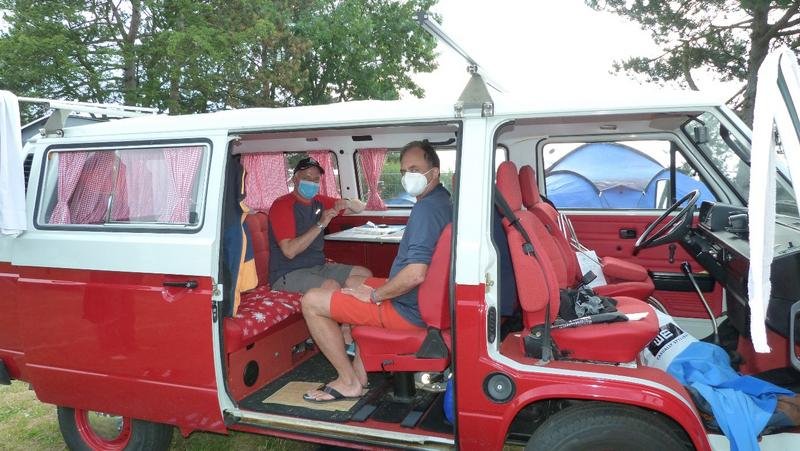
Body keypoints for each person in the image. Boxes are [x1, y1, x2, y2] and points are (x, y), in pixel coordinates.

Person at [301, 140, 453, 402]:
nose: (408, 177)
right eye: (404, 171)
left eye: (415, 169)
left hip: (408, 309)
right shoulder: (443, 200)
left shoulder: (426, 209)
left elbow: (416, 273)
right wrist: (372, 291)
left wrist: (375, 296)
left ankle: (348, 382)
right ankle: (359, 374)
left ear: (435, 172)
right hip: (423, 300)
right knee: (357, 283)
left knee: (311, 301)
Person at [268, 157, 371, 293]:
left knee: (365, 275)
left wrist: (348, 202)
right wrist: (320, 224)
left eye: (316, 180)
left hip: (317, 266)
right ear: (295, 179)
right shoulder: (282, 205)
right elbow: (289, 251)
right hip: (287, 272)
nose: (311, 183)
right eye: (306, 178)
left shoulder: (320, 201)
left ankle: (347, 304)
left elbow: (361, 207)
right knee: (332, 287)